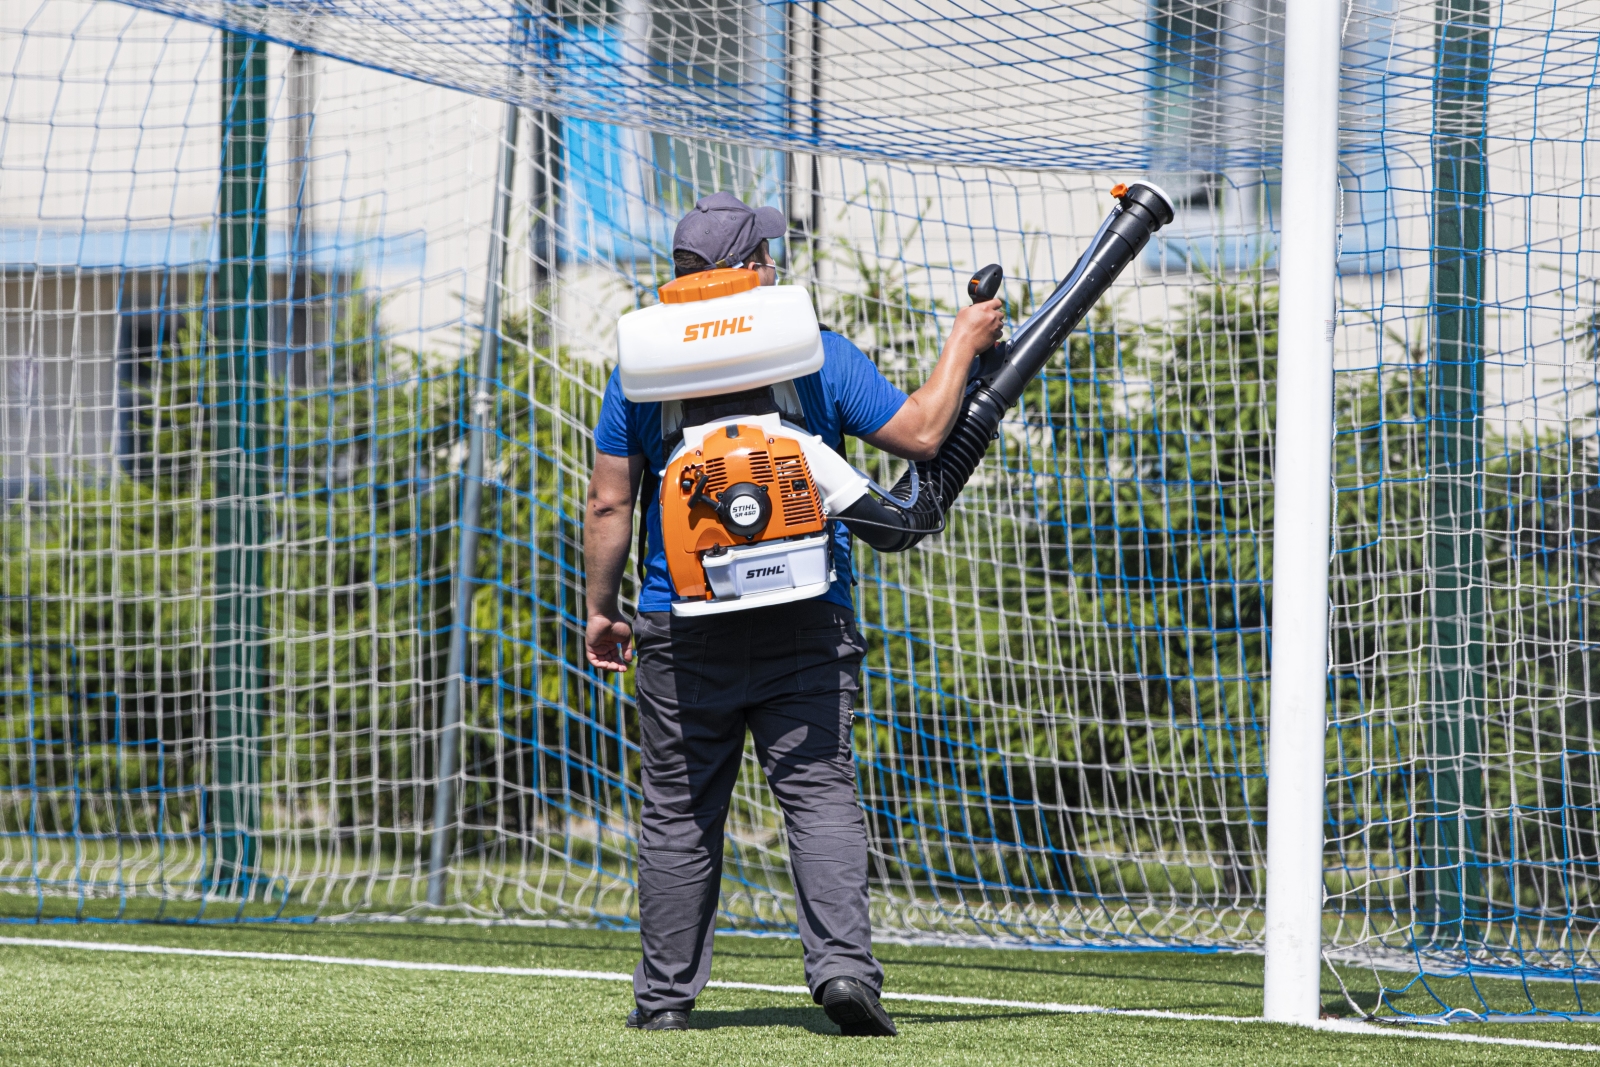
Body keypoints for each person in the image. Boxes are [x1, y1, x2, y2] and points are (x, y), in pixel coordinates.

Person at [584, 191, 1003, 1036]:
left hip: (679, 621)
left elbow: (607, 504)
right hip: (807, 613)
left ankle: (665, 999)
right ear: (756, 269)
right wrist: (965, 339)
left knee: (679, 808)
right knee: (817, 794)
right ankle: (845, 972)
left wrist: (602, 609)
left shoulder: (639, 370)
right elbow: (924, 433)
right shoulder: (815, 354)